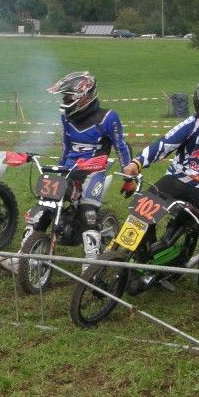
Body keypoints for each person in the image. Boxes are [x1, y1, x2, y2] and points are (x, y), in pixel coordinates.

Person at [123, 80, 199, 309]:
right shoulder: (189, 125)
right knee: (142, 209)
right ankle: (143, 260)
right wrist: (137, 162)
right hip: (177, 180)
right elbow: (163, 145)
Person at [47, 70, 133, 268]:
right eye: (64, 97)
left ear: (84, 97)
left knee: (88, 211)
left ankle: (91, 261)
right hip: (71, 169)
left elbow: (121, 147)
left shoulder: (108, 117)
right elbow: (66, 147)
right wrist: (59, 172)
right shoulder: (66, 117)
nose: (65, 101)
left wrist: (129, 178)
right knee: (47, 204)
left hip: (95, 171)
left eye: (69, 97)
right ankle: (25, 253)